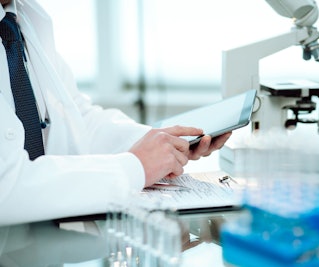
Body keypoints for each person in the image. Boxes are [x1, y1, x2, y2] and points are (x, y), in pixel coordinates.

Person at [0, 0, 231, 225]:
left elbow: (77, 119)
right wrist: (135, 167)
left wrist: (163, 143)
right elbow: (7, 184)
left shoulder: (23, 17)